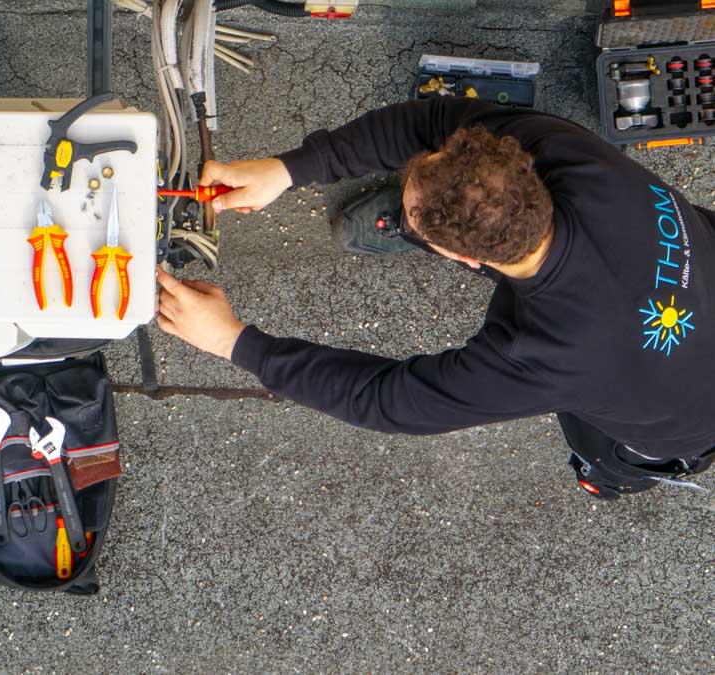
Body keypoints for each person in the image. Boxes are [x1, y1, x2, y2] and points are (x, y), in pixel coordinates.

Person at [155, 97, 715, 499]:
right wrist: (288, 169)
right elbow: (429, 121)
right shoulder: (577, 160)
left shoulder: (540, 356)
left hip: (686, 418)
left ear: (463, 259)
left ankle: (613, 478)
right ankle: (434, 214)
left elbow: (391, 401)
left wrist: (234, 342)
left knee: (603, 458)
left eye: (414, 213)